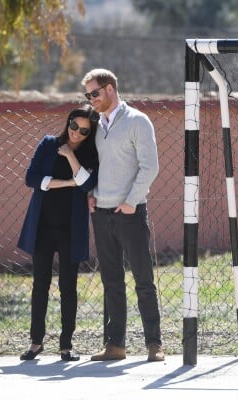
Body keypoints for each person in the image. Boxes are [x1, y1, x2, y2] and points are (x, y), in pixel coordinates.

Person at [81, 68, 164, 362]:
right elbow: (98, 165)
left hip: (130, 212)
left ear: (110, 89)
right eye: (87, 95)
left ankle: (154, 345)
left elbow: (149, 167)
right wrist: (92, 195)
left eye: (94, 93)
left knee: (143, 278)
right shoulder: (97, 125)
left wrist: (131, 201)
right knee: (111, 281)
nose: (91, 99)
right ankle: (115, 346)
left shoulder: (137, 122)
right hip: (101, 214)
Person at [17, 104, 100, 362]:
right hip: (43, 227)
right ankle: (36, 342)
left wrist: (70, 157)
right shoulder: (48, 144)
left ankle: (66, 345)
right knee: (39, 285)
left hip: (70, 230)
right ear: (68, 122)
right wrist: (67, 182)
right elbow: (31, 178)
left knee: (68, 287)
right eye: (73, 126)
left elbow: (87, 183)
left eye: (83, 131)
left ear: (90, 133)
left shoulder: (90, 154)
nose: (76, 133)